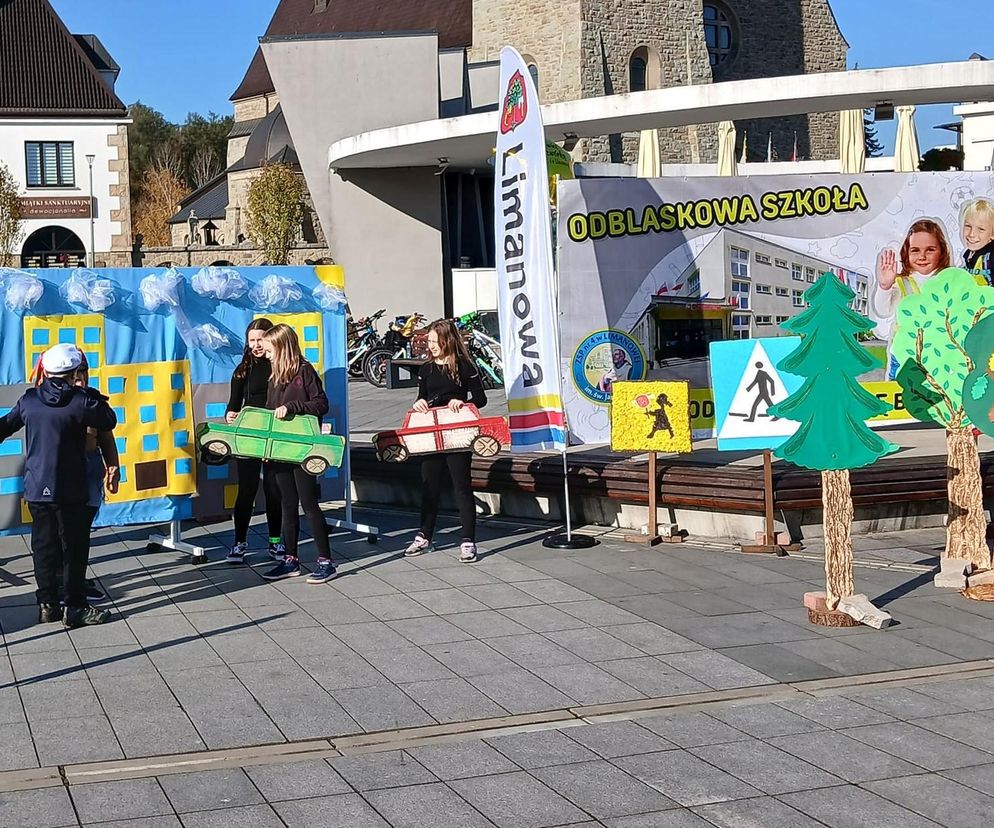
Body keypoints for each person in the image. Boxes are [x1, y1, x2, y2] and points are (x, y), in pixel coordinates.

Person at [0, 344, 117, 627]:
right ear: (74, 372)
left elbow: (4, 426)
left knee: (43, 547)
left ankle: (47, 605)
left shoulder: (29, 400)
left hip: (37, 487)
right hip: (71, 488)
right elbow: (109, 420)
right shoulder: (80, 401)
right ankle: (75, 607)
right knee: (75, 547)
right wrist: (88, 393)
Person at [33, 353, 120, 605]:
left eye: (83, 371)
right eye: (75, 372)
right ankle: (63, 585)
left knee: (81, 530)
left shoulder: (91, 399)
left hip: (89, 466)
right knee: (60, 535)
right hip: (59, 473)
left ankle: (74, 581)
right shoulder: (43, 399)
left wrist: (113, 466)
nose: (79, 377)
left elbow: (106, 435)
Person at [404, 319, 487, 563]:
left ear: (446, 340)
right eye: (428, 342)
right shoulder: (427, 369)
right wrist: (418, 403)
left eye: (434, 342)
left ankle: (468, 540)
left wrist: (463, 402)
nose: (431, 346)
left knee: (461, 485)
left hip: (457, 433)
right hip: (430, 433)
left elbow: (480, 399)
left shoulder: (464, 366)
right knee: (429, 484)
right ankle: (424, 535)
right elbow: (422, 398)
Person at [259, 324, 337, 583]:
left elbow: (321, 403)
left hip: (302, 449)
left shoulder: (304, 371)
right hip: (280, 449)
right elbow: (271, 411)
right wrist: (265, 447)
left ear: (282, 348)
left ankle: (326, 561)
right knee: (287, 503)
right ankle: (290, 559)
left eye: (269, 349)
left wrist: (293, 406)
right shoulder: (274, 377)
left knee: (309, 503)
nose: (266, 354)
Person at [225, 318, 285, 564]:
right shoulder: (242, 370)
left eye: (261, 339)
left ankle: (274, 542)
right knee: (246, 491)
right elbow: (232, 405)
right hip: (249, 437)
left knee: (273, 490)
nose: (257, 345)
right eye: (252, 340)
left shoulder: (280, 367)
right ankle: (239, 542)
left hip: (275, 436)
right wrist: (230, 415)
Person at [871, 219, 952, 379]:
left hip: (938, 360)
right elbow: (882, 309)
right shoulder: (902, 282)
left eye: (930, 250)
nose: (922, 256)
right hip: (903, 359)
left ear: (942, 251)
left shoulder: (949, 281)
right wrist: (884, 286)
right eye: (915, 250)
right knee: (900, 401)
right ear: (906, 253)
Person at [961, 198, 994, 286]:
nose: (972, 234)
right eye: (968, 226)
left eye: (981, 229)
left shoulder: (991, 258)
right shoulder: (968, 255)